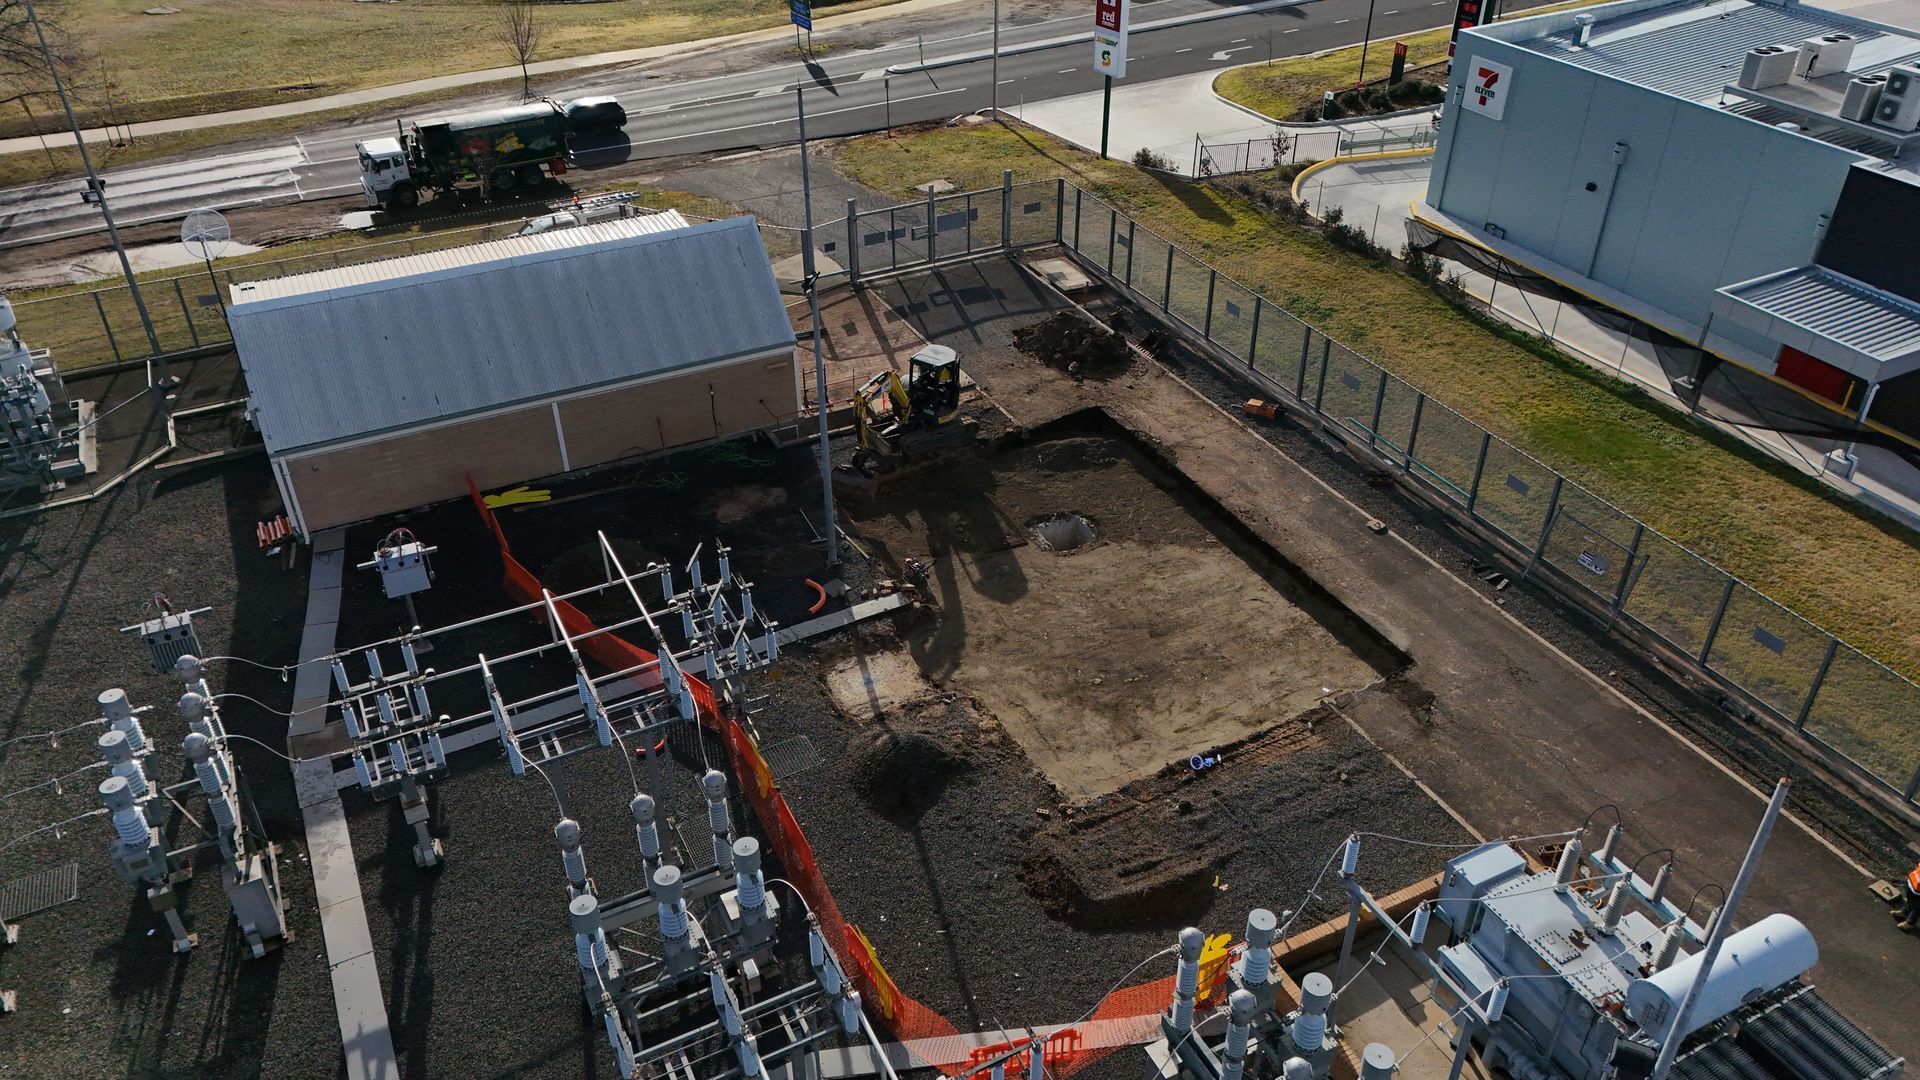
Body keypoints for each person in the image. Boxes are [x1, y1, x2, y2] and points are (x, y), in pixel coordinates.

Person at [1896, 862, 1920, 928]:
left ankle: (1910, 923)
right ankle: (1905, 912)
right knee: (1911, 897)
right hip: (1914, 881)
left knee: (1918, 906)